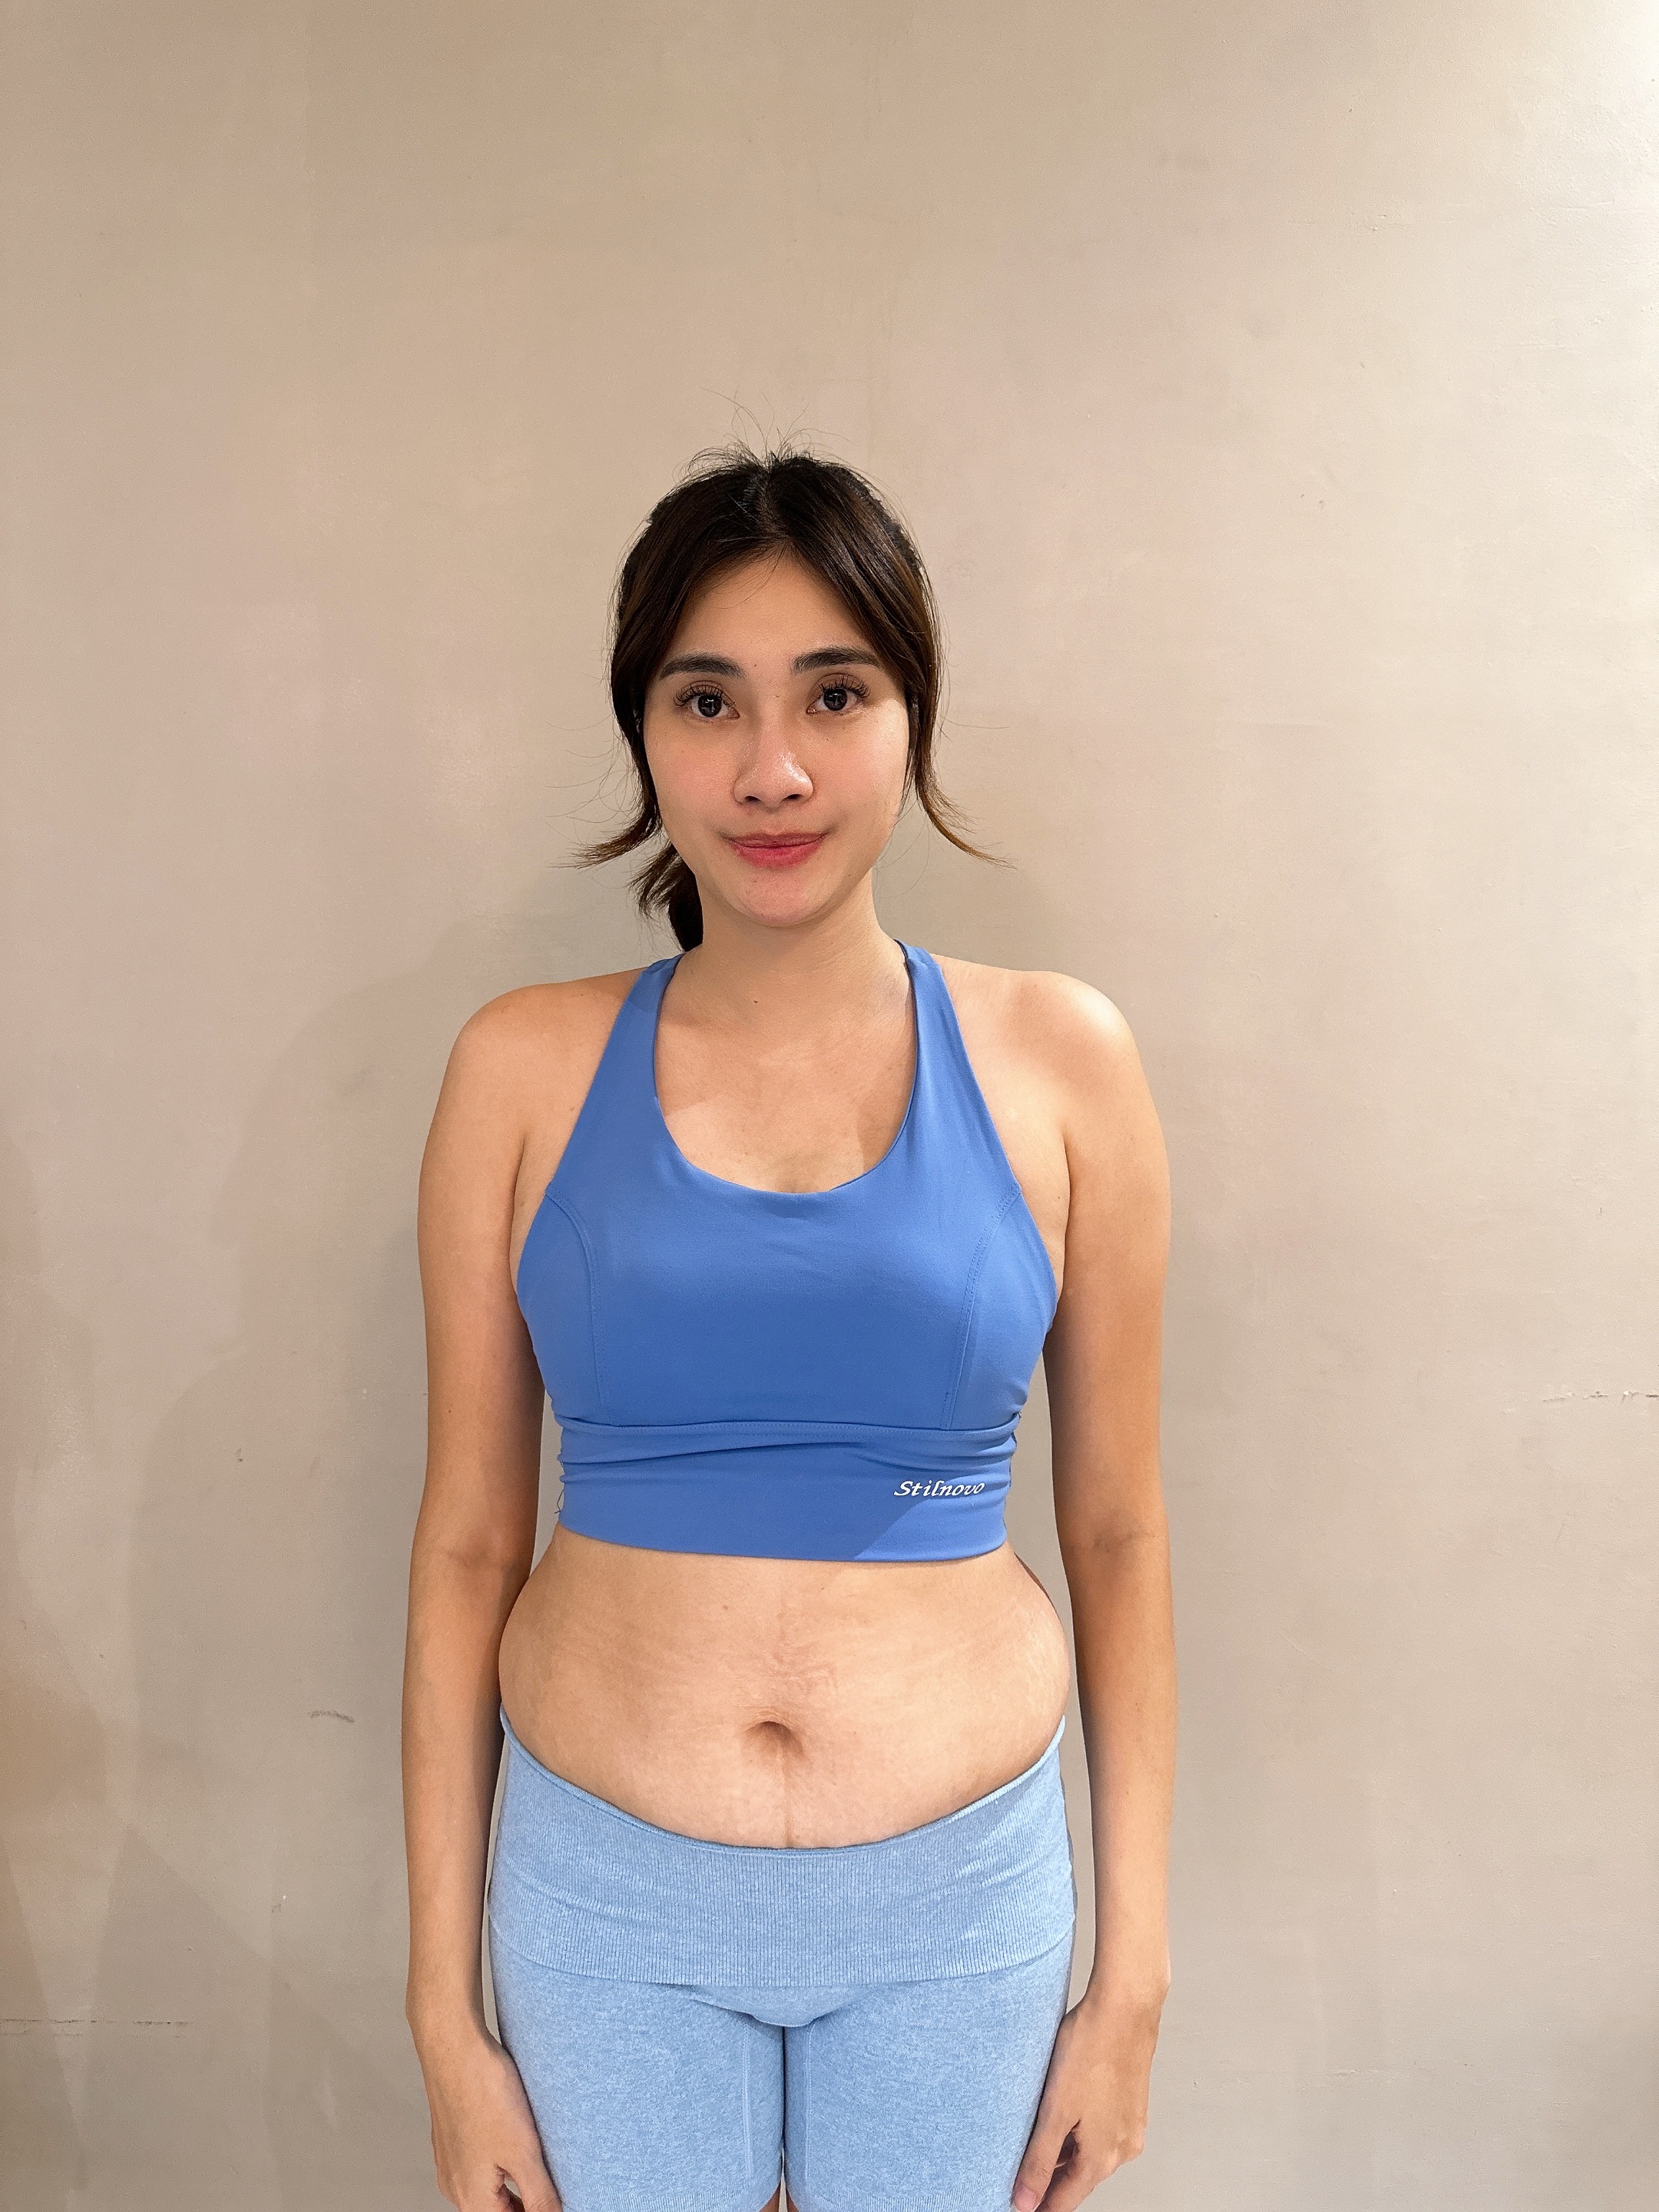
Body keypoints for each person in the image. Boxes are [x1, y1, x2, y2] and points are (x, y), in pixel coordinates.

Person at [402, 446, 1176, 2212]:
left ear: (913, 716)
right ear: (645, 731)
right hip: (605, 1907)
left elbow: (1121, 1535)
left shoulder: (1064, 1065)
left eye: (836, 693)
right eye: (709, 700)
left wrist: (1131, 1979)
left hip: (957, 1910)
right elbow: (463, 1549)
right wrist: (442, 2016)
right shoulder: (519, 1070)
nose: (773, 768)